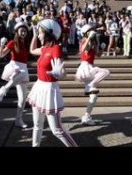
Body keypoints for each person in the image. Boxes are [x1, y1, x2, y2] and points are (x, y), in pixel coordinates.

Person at [28, 19, 77, 147]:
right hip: (39, 87)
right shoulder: (44, 48)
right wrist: (34, 35)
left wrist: (60, 74)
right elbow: (32, 51)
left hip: (49, 90)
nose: (38, 35)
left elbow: (62, 71)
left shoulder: (55, 49)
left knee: (56, 130)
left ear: (49, 33)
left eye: (40, 32)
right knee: (37, 125)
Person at [0, 21, 30, 128]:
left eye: (25, 31)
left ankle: (18, 119)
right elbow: (1, 55)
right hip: (14, 67)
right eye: (21, 30)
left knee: (22, 98)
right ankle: (4, 89)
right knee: (22, 72)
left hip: (23, 68)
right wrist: (1, 45)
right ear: (17, 31)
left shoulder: (25, 43)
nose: (23, 32)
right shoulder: (12, 42)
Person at [75, 24, 110, 125]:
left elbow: (97, 55)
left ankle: (86, 117)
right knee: (106, 72)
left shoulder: (92, 42)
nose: (93, 32)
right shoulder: (85, 41)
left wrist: (103, 48)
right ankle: (92, 84)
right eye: (90, 31)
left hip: (89, 68)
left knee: (94, 97)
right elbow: (83, 50)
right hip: (85, 68)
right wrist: (89, 37)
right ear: (86, 33)